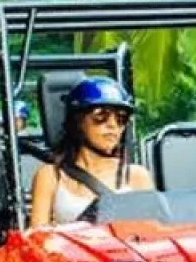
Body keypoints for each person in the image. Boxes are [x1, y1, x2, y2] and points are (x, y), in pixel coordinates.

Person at [28, 77, 154, 226]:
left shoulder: (136, 176)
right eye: (101, 116)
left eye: (121, 118)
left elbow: (153, 233)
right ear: (78, 122)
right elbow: (37, 235)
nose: (113, 125)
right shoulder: (51, 176)